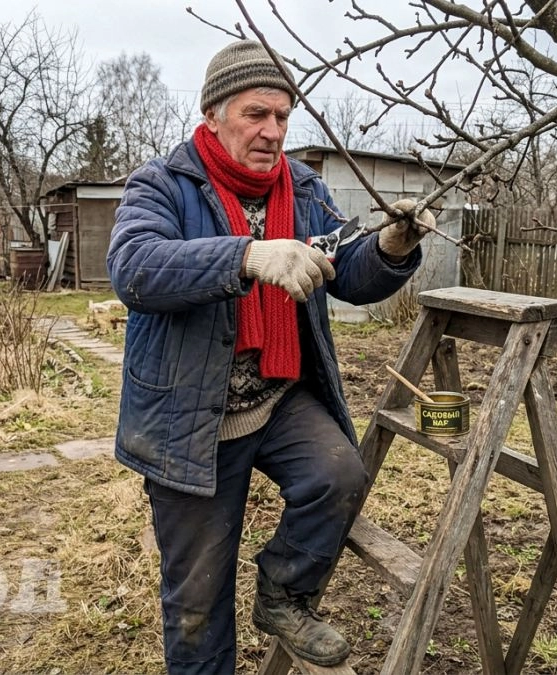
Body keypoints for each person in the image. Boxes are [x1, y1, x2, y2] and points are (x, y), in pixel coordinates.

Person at [106, 39, 436, 673]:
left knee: (338, 475)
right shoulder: (163, 184)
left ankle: (285, 592)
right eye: (256, 114)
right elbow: (133, 269)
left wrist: (393, 245)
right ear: (213, 115)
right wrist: (247, 255)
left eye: (282, 117)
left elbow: (350, 274)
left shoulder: (303, 188)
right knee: (198, 601)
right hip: (188, 422)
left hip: (275, 398)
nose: (272, 131)